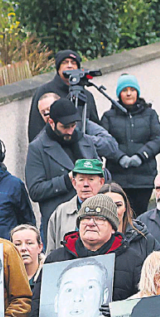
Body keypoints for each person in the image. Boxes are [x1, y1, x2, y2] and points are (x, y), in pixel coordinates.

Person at [26, 98, 103, 238]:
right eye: (65, 127)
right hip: (60, 223)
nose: (70, 131)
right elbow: (35, 190)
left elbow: (103, 174)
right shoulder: (37, 147)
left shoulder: (84, 140)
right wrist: (67, 180)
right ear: (51, 122)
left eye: (73, 126)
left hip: (94, 217)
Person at [101, 73, 160, 216]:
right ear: (119, 94)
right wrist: (119, 157)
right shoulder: (108, 117)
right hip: (118, 179)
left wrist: (141, 156)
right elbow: (103, 142)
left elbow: (159, 138)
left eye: (132, 89)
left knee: (140, 216)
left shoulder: (150, 114)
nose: (129, 93)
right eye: (124, 90)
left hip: (144, 179)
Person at [28, 50, 99, 141]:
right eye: (65, 62)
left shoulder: (86, 95)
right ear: (58, 68)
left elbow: (95, 125)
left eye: (73, 63)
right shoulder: (44, 91)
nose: (69, 65)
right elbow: (35, 126)